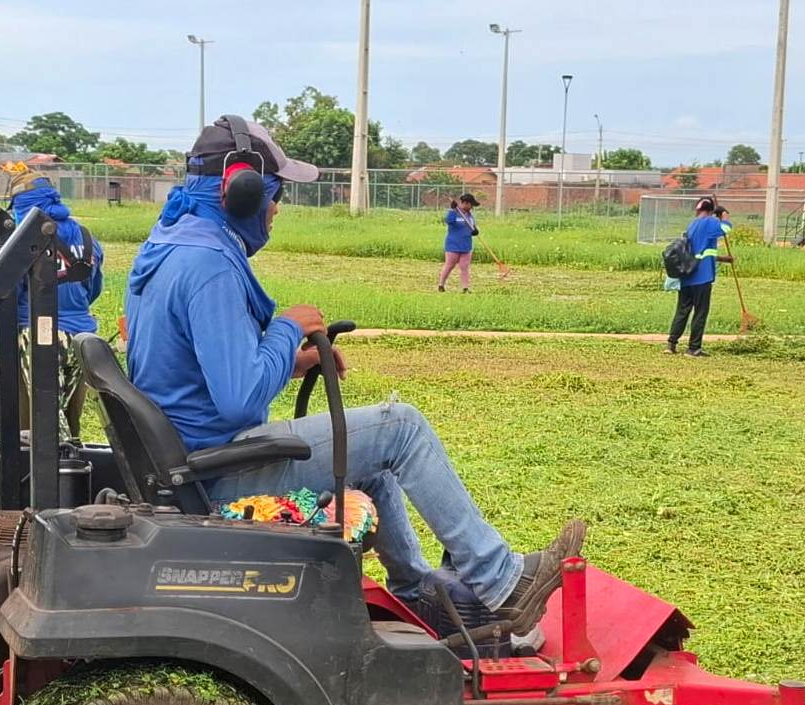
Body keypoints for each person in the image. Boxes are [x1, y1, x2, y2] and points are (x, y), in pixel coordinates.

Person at [125, 116, 577, 633]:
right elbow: (240, 400)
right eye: (276, 196)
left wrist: (293, 362)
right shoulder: (208, 263)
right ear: (243, 192)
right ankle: (503, 582)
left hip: (194, 456)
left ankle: (417, 593)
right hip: (219, 470)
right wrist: (285, 328)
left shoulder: (172, 244)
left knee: (372, 456)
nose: (276, 210)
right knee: (400, 427)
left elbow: (194, 370)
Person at [0, 176, 103, 437]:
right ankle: (74, 469)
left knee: (39, 422)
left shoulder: (25, 244)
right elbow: (93, 289)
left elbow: (2, 293)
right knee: (69, 416)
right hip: (82, 339)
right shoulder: (88, 240)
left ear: (22, 207)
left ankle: (41, 474)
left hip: (38, 338)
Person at [666, 197, 733, 357]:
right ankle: (693, 348)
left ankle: (671, 344)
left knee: (682, 309)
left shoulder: (692, 225)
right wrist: (724, 215)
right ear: (711, 211)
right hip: (702, 276)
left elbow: (701, 251)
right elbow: (726, 228)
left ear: (698, 210)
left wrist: (723, 259)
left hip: (687, 274)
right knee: (701, 311)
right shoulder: (710, 222)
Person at [439, 193, 480, 292]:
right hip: (453, 244)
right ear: (465, 203)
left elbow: (472, 226)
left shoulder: (470, 216)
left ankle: (465, 288)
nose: (472, 208)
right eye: (471, 205)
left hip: (466, 245)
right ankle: (441, 284)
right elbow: (449, 221)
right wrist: (452, 210)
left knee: (464, 267)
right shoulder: (455, 213)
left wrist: (475, 230)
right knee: (450, 265)